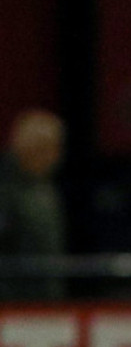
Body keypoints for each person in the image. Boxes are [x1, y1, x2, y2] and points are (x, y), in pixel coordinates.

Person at [0, 109, 66, 299]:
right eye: (50, 148)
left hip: (45, 300)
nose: (56, 157)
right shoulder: (5, 188)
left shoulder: (46, 187)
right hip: (14, 302)